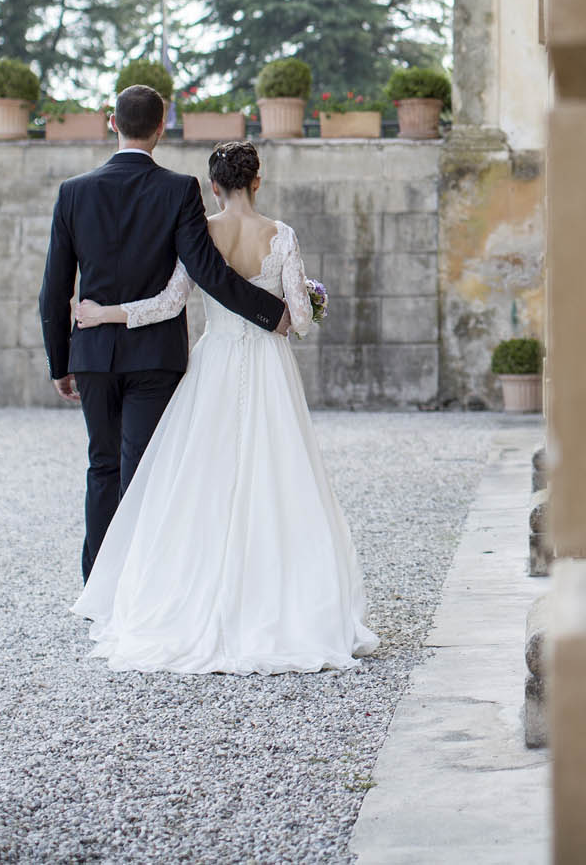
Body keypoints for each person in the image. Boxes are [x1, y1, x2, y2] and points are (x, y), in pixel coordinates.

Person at [69, 140, 377, 673]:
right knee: (278, 478)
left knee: (198, 481)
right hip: (267, 369)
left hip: (213, 363)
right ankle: (280, 602)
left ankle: (190, 597)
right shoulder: (281, 236)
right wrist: (305, 295)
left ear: (213, 186)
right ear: (258, 181)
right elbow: (298, 321)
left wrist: (106, 315)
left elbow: (168, 304)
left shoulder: (201, 233)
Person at [39, 86, 291, 582]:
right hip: (155, 355)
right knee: (144, 469)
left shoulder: (73, 191)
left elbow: (54, 289)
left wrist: (59, 361)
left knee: (102, 467)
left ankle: (98, 583)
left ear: (113, 122)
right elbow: (207, 271)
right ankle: (139, 583)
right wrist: (272, 311)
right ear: (161, 127)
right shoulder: (179, 188)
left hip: (91, 354)